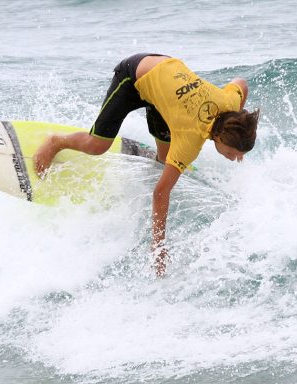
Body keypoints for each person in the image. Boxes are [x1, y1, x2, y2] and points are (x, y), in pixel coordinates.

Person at [33, 53, 260, 276]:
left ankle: (162, 160)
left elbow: (241, 83)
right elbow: (160, 193)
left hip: (164, 88)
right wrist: (158, 246)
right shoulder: (190, 140)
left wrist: (238, 123)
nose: (235, 159)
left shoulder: (230, 104)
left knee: (165, 160)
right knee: (97, 145)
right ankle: (56, 141)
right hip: (135, 75)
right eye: (232, 153)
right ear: (219, 137)